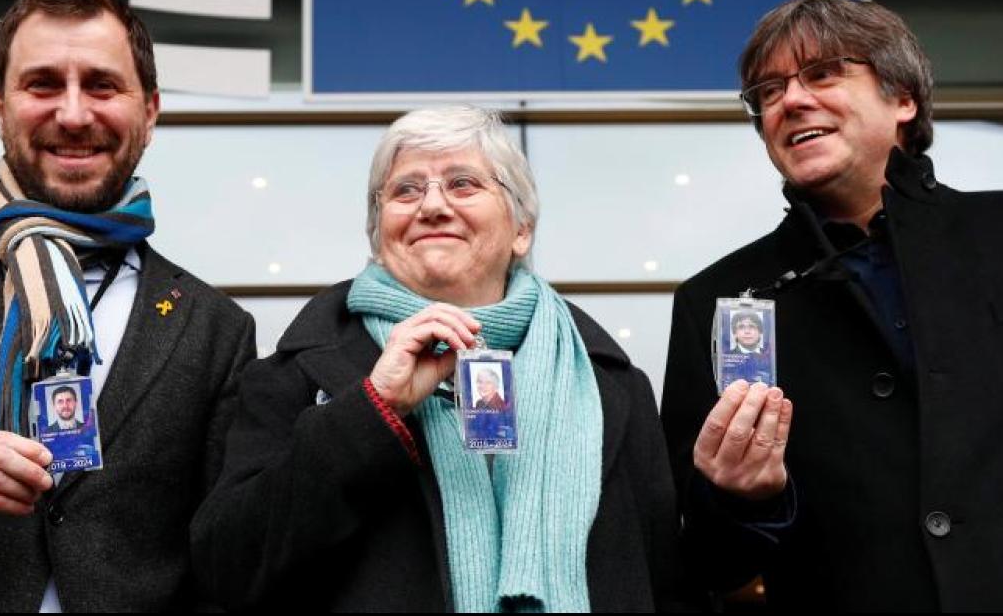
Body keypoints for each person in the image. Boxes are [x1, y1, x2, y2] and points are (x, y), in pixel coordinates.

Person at [661, 0, 1003, 611]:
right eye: (769, 91)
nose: (791, 101)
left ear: (903, 99)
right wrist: (742, 498)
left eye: (822, 74)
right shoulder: (717, 301)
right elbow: (709, 562)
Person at [0, 0, 256, 610]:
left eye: (101, 85)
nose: (73, 114)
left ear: (149, 111)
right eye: (42, 85)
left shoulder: (214, 329)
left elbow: (224, 562)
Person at [193, 106, 685, 611]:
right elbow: (227, 569)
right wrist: (372, 408)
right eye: (405, 190)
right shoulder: (293, 375)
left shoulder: (609, 384)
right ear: (378, 234)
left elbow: (667, 585)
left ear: (522, 229)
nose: (432, 206)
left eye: (462, 184)